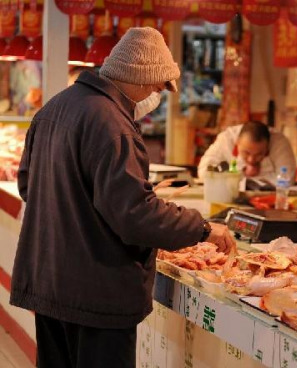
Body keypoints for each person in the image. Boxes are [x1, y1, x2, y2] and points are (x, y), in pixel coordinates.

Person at [9, 27, 236, 368]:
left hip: (50, 283)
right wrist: (203, 229)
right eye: (158, 87)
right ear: (142, 78)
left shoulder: (55, 107)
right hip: (96, 294)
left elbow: (30, 186)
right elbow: (135, 216)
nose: (156, 96)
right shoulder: (112, 124)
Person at [198, 120, 297, 184]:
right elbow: (203, 171)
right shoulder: (226, 139)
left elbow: (287, 180)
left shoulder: (279, 142)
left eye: (259, 154)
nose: (251, 159)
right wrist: (237, 175)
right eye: (246, 153)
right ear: (237, 142)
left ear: (268, 146)